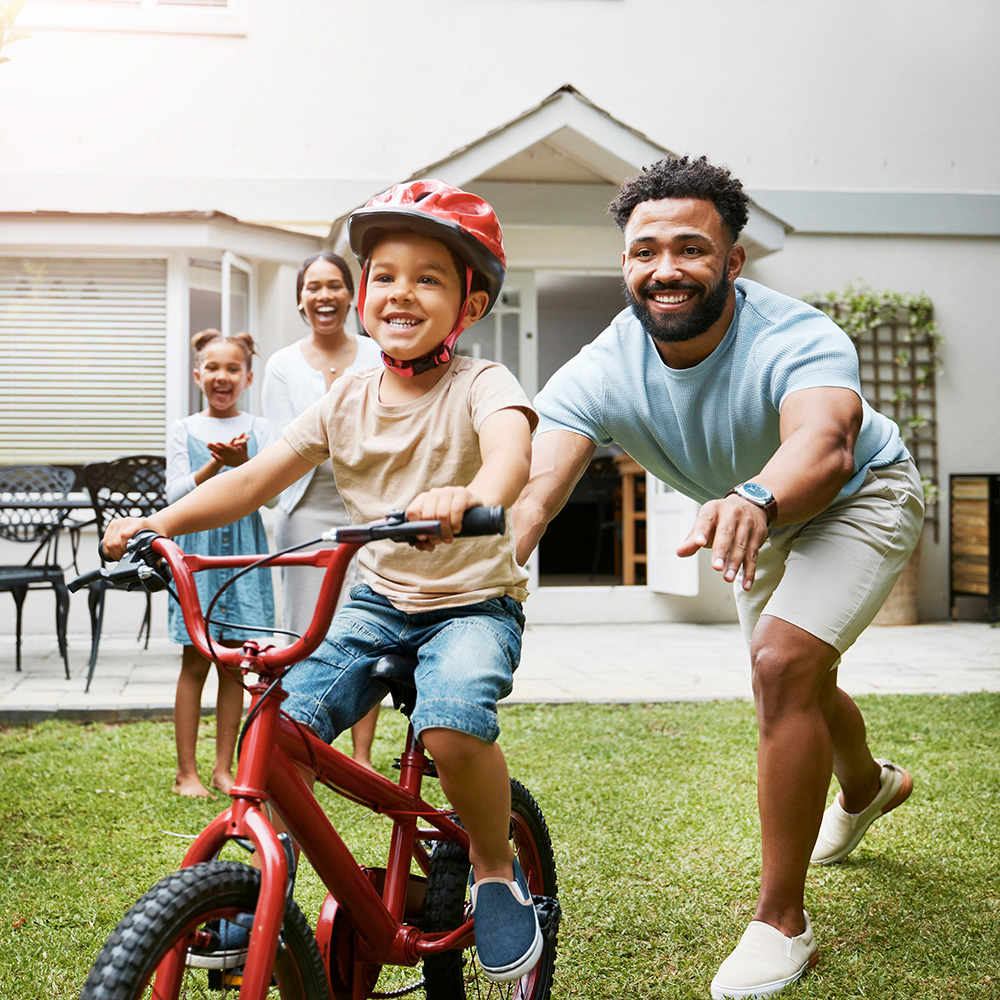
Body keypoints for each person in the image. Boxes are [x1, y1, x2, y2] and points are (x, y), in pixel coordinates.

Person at [102, 179, 543, 982]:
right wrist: (160, 523)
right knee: (280, 732)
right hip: (375, 601)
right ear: (364, 291)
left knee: (449, 721)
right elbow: (252, 482)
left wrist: (475, 497)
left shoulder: (483, 384)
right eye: (384, 273)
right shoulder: (346, 399)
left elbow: (511, 453)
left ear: (470, 305)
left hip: (471, 602)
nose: (400, 290)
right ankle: (258, 897)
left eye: (429, 277)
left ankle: (490, 863)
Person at [512, 156, 923, 999]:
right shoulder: (603, 366)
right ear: (625, 261)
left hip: (855, 495)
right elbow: (537, 488)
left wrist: (757, 496)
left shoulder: (796, 335)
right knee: (796, 678)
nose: (665, 269)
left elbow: (826, 442)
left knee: (781, 666)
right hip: (754, 512)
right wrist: (490, 555)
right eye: (644, 251)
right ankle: (867, 784)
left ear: (733, 261)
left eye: (692, 249)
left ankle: (782, 925)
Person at [261, 252, 384, 767]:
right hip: (305, 509)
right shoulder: (283, 365)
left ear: (350, 295)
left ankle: (359, 754)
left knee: (369, 623)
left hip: (370, 510)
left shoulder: (378, 353)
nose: (324, 296)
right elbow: (282, 444)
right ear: (300, 299)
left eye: (334, 285)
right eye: (313, 287)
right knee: (303, 629)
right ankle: (303, 742)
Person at [166, 329, 276, 798]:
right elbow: (172, 496)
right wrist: (215, 466)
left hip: (244, 560)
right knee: (196, 662)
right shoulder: (184, 429)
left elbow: (272, 498)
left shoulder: (262, 429)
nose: (221, 376)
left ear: (247, 377)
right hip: (200, 558)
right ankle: (186, 772)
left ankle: (223, 770)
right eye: (212, 367)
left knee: (237, 666)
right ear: (197, 375)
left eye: (232, 368)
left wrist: (246, 461)